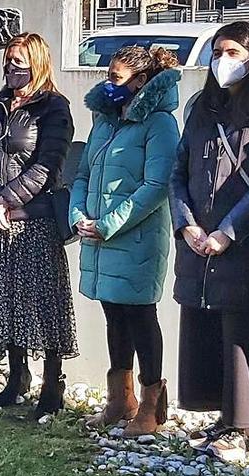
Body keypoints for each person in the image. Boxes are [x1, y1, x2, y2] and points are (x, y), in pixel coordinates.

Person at [168, 22, 249, 462]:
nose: (223, 60)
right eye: (218, 52)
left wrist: (229, 230)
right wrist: (187, 224)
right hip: (199, 240)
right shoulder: (202, 108)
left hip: (248, 241)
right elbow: (177, 173)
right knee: (206, 322)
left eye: (234, 52)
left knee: (245, 327)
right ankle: (221, 416)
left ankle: (245, 426)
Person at [72, 45, 181, 436]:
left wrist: (110, 223)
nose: (108, 84)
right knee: (113, 317)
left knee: (140, 317)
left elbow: (156, 186)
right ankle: (121, 399)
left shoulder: (160, 124)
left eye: (116, 78)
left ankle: (152, 406)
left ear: (140, 81)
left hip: (136, 240)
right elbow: (83, 173)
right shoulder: (104, 119)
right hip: (100, 238)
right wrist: (78, 215)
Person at [0, 32, 78, 418]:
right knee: (6, 302)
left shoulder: (54, 109)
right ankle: (17, 379)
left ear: (37, 63)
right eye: (8, 60)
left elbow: (46, 167)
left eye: (19, 61)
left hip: (34, 220)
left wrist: (5, 202)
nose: (11, 67)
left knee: (44, 305)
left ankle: (52, 383)